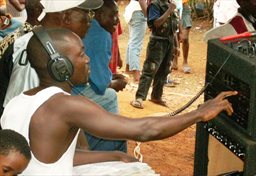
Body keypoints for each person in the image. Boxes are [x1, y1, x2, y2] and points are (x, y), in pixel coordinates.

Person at [1, 27, 237, 175]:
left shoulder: (16, 102)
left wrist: (115, 156)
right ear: (60, 66)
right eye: (81, 54)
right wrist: (198, 113)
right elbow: (145, 130)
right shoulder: (66, 105)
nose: (88, 59)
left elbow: (47, 160)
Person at [1, 0, 103, 116]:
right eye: (88, 14)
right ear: (66, 17)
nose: (90, 20)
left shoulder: (49, 43)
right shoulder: (36, 51)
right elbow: (20, 115)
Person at [73, 0, 128, 152]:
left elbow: (94, 69)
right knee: (110, 97)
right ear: (100, 14)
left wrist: (110, 76)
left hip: (66, 85)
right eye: (113, 15)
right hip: (74, 91)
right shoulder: (102, 35)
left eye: (117, 15)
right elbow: (100, 84)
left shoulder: (91, 28)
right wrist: (115, 83)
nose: (117, 20)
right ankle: (110, 146)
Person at [130, 0, 179, 109]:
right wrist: (169, 10)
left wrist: (176, 45)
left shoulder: (170, 5)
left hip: (169, 43)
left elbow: (174, 29)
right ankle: (139, 98)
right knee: (150, 69)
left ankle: (156, 96)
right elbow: (155, 23)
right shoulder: (155, 5)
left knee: (164, 70)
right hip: (158, 42)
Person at [124, 0, 147, 82]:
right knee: (135, 43)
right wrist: (148, 15)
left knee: (132, 41)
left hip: (133, 11)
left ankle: (129, 67)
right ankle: (136, 73)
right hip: (139, 11)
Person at [172, 0, 192, 73]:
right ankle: (175, 59)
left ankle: (185, 62)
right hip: (172, 7)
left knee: (184, 38)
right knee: (175, 35)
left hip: (184, 8)